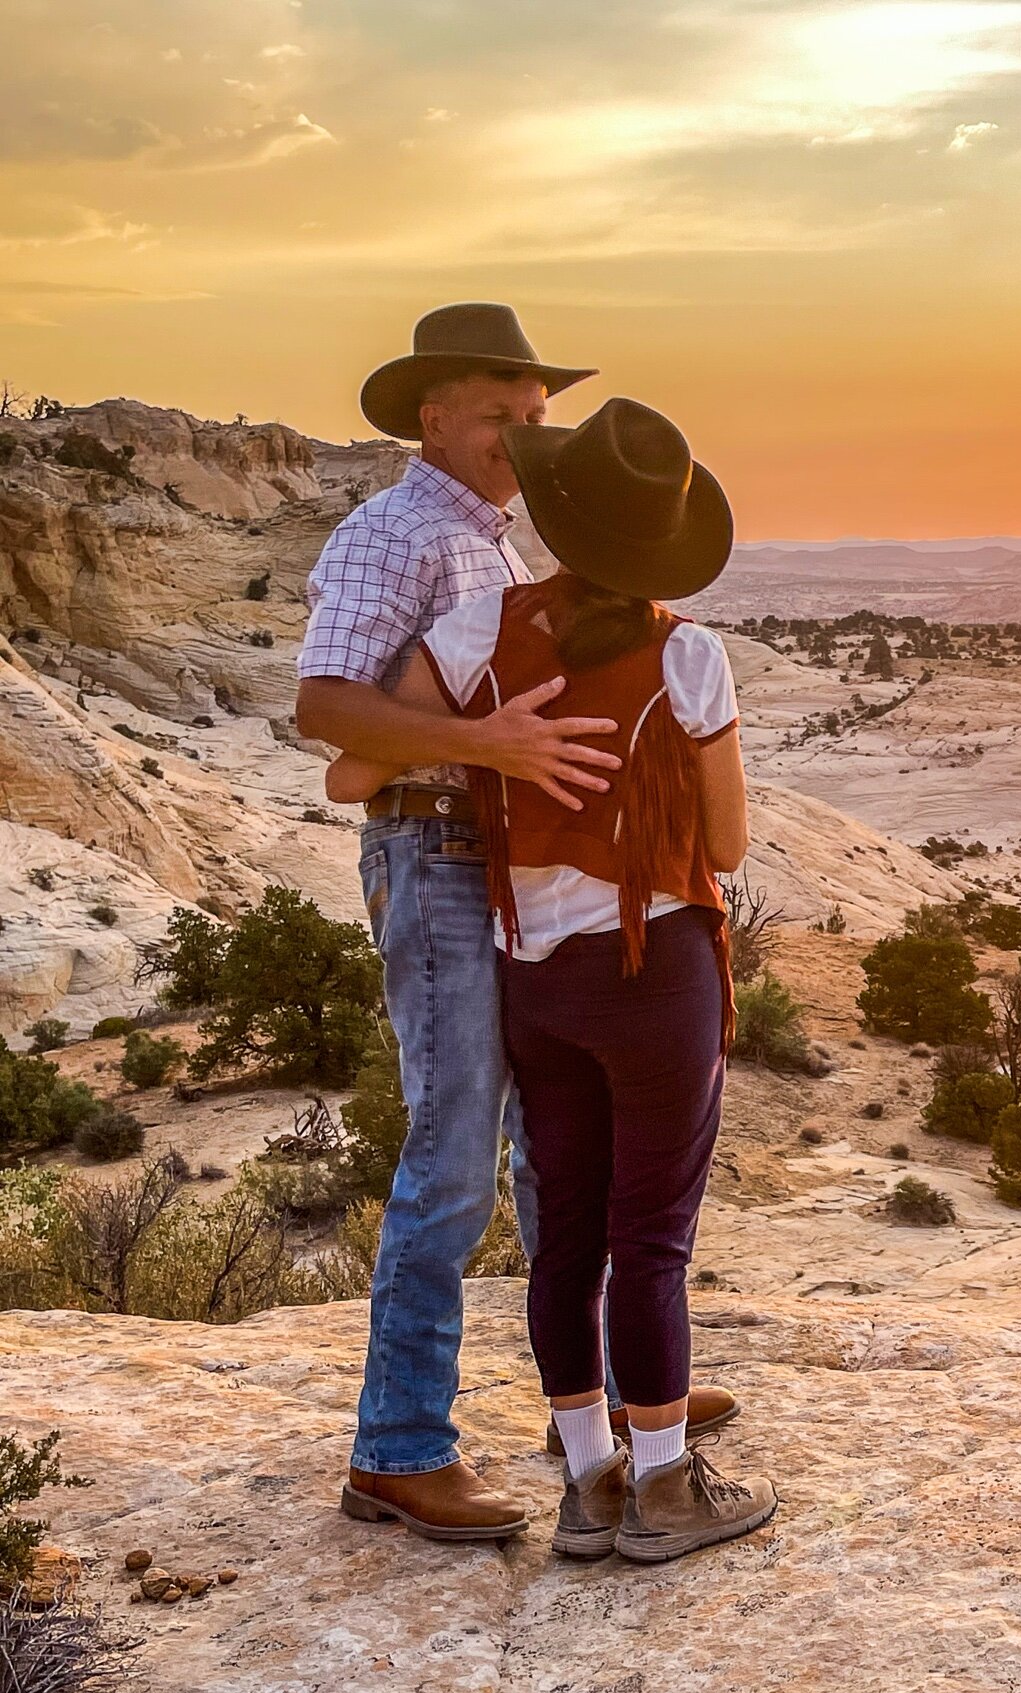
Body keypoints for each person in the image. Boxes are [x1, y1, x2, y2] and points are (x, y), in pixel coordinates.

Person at [302, 305, 737, 1543]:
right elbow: (323, 709)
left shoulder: (491, 544)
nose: (520, 436)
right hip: (436, 851)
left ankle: (594, 1410)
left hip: (493, 862)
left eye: (535, 419)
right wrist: (480, 745)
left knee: (556, 1151)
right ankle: (399, 1447)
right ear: (431, 414)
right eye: (501, 413)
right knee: (451, 1150)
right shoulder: (393, 533)